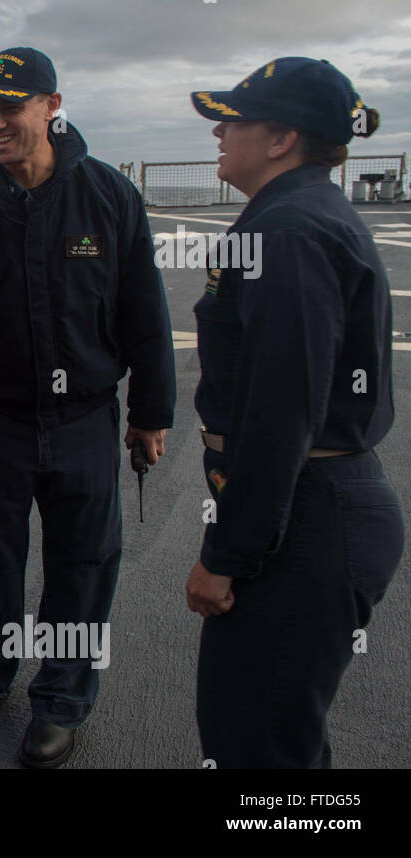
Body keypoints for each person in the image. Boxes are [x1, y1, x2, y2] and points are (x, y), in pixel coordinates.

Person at [0, 47, 176, 768]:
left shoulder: (107, 196)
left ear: (52, 105)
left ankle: (61, 698)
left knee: (83, 563)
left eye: (12, 105)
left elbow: (143, 313)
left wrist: (150, 414)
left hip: (87, 416)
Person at [186, 58, 401, 767]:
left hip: (308, 519)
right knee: (275, 739)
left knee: (260, 747)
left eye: (234, 119)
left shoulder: (287, 234)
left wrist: (228, 555)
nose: (219, 130)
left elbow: (280, 415)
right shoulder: (294, 218)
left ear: (282, 139)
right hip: (313, 509)